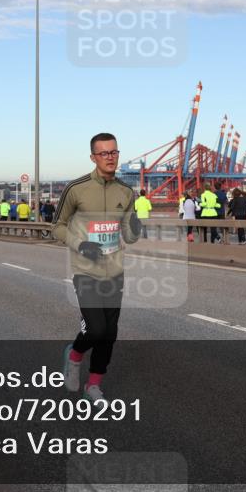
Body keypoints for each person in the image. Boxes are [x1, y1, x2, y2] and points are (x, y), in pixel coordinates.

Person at [53, 133, 140, 408]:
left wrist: (135, 227)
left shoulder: (126, 192)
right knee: (96, 329)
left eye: (114, 152)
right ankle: (75, 354)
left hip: (115, 272)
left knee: (110, 333)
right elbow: (57, 227)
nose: (110, 157)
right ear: (93, 157)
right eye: (104, 153)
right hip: (85, 271)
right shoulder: (76, 188)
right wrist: (81, 245)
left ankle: (93, 386)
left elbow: (129, 235)